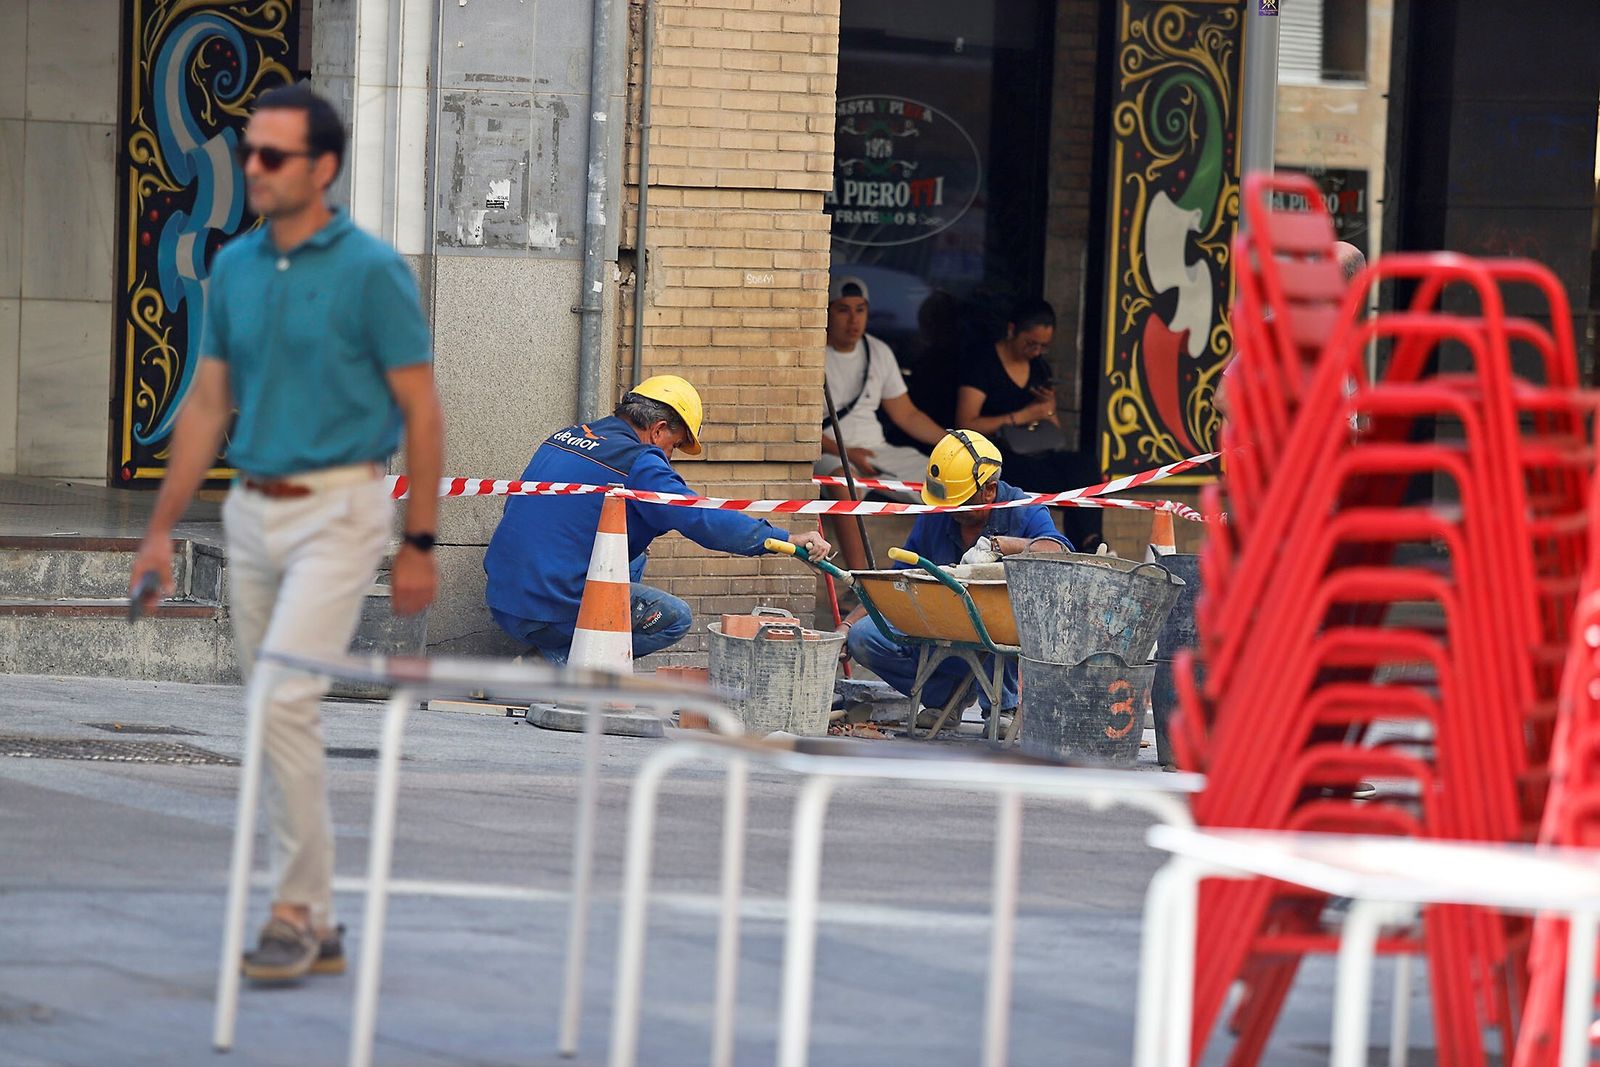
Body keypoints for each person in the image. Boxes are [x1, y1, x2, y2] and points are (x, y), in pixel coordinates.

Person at [128, 84, 444, 982]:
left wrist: (419, 542)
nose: (252, 169)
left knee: (283, 701)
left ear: (324, 169)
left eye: (272, 156)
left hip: (341, 511)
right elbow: (206, 404)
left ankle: (294, 912)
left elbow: (421, 408)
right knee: (272, 713)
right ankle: (324, 919)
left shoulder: (373, 270)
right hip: (251, 510)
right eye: (248, 152)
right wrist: (157, 531)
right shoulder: (232, 266)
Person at [485, 375, 830, 662]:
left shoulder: (565, 437)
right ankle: (546, 668)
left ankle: (546, 657)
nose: (670, 457)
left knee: (634, 554)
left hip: (504, 595)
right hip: (549, 605)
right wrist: (786, 540)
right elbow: (701, 519)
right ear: (659, 429)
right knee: (674, 619)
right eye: (675, 446)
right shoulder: (639, 459)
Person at [839, 431, 1068, 726]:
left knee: (1002, 614)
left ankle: (1003, 706)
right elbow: (896, 583)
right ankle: (945, 698)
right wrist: (846, 625)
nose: (948, 509)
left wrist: (1000, 545)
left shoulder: (1021, 510)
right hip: (942, 626)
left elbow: (1057, 550)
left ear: (990, 490)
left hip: (1000, 633)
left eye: (957, 502)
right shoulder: (938, 515)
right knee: (865, 636)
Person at [818, 275, 948, 570]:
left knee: (942, 479)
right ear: (826, 311)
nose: (853, 319)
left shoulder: (878, 351)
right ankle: (858, 577)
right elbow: (799, 427)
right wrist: (848, 453)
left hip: (876, 448)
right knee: (842, 481)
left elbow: (907, 414)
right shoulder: (813, 354)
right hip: (828, 451)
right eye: (843, 310)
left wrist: (955, 442)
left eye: (860, 310)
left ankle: (943, 569)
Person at [954, 298, 1102, 549]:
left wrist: (1047, 407)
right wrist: (1022, 415)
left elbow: (1054, 430)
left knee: (1083, 466)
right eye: (1031, 343)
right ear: (1012, 330)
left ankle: (1091, 542)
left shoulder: (1039, 367)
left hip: (1035, 452)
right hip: (999, 459)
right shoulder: (983, 364)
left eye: (1042, 346)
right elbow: (965, 424)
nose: (1036, 351)